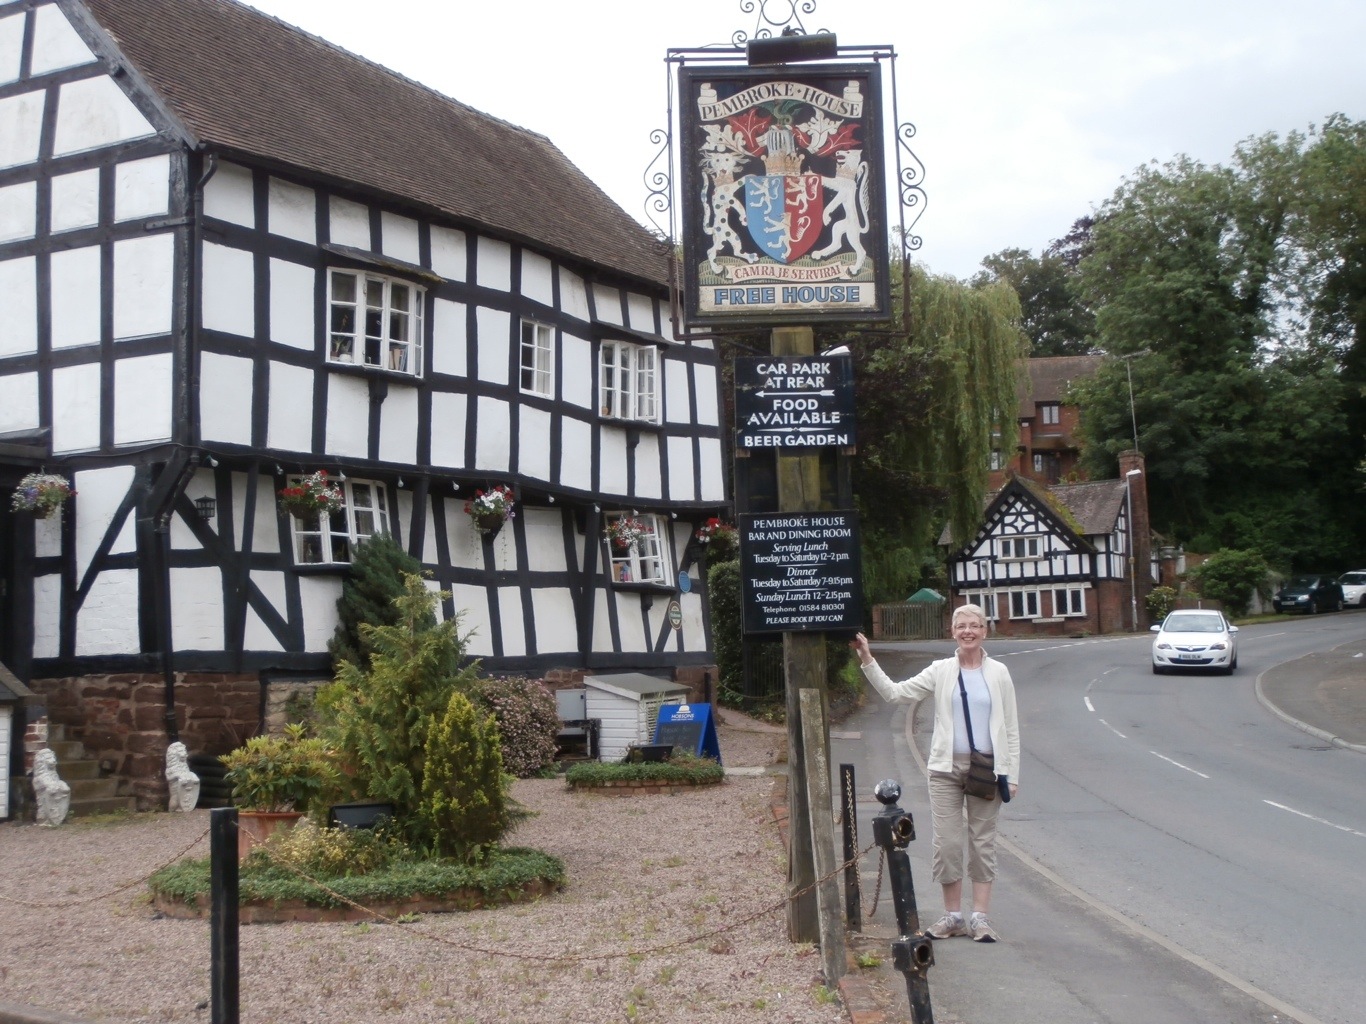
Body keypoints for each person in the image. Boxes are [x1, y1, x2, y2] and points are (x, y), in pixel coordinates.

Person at [850, 603, 1020, 942]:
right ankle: (953, 916)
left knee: (982, 842)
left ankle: (980, 918)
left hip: (986, 769)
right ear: (952, 632)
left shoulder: (999, 673)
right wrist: (867, 659)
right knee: (947, 844)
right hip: (945, 769)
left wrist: (1011, 774)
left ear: (985, 631)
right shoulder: (941, 670)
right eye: (962, 626)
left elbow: (1011, 728)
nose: (968, 631)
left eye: (974, 625)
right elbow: (896, 694)